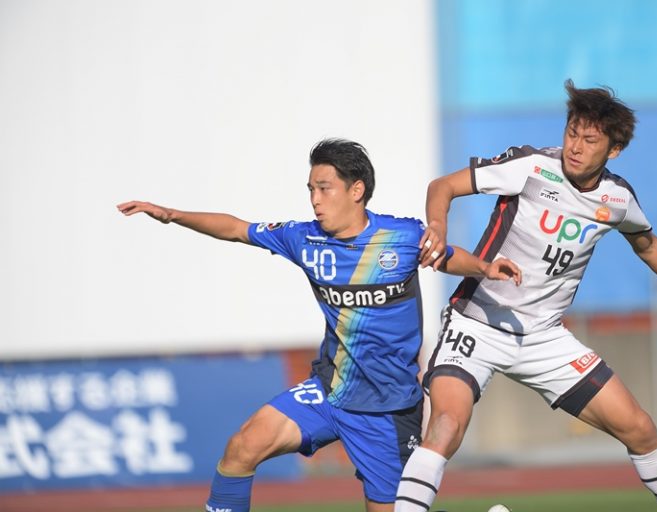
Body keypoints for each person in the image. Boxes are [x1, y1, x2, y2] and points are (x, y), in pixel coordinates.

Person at [117, 138, 519, 512]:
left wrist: (484, 267)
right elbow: (237, 229)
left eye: (324, 188)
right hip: (329, 393)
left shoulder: (401, 236)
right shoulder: (304, 239)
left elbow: (445, 256)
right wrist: (173, 216)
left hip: (388, 410)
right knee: (242, 447)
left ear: (356, 190)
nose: (314, 200)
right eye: (310, 189)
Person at [395, 81, 657, 512]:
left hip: (544, 339)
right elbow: (442, 186)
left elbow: (648, 245)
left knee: (640, 428)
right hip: (476, 324)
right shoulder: (531, 166)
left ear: (614, 150)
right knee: (446, 426)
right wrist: (438, 227)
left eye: (590, 140)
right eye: (571, 133)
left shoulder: (618, 199)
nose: (575, 147)